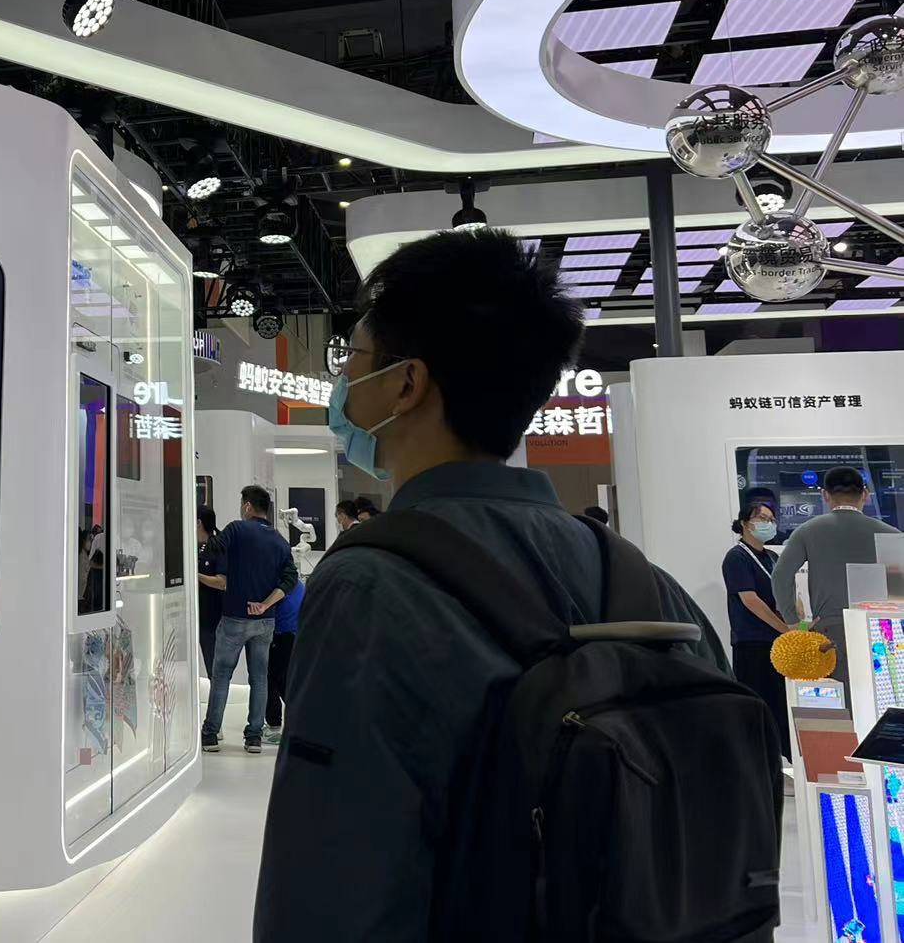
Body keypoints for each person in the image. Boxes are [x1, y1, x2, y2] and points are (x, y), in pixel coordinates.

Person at [255, 229, 725, 939]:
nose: (343, 381)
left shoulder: (369, 585)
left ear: (407, 384)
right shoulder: (650, 588)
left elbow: (333, 878)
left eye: (353, 358)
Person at [771, 465, 893, 684]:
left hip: (831, 629)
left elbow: (780, 575)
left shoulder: (808, 531)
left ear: (825, 495)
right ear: (865, 494)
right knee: (883, 692)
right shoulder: (890, 533)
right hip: (882, 629)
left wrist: (792, 622)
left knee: (838, 695)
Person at [200, 485, 297, 755]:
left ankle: (210, 734)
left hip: (234, 617)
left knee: (221, 676)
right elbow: (290, 579)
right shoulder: (280, 541)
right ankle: (254, 736)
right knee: (260, 678)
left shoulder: (236, 530)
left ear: (247, 506)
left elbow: (212, 548)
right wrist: (266, 603)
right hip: (265, 621)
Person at [724, 501, 789, 752]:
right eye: (762, 518)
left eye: (771, 519)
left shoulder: (772, 557)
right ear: (745, 523)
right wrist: (784, 628)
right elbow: (750, 601)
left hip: (778, 643)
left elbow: (784, 593)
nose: (768, 524)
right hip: (752, 642)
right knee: (758, 704)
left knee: (780, 705)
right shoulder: (737, 557)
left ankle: (784, 755)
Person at [263, 573, 304, 747]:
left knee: (272, 681)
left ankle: (274, 726)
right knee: (285, 680)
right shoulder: (298, 584)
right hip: (295, 636)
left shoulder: (278, 586)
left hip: (280, 636)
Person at [195, 506, 222, 679]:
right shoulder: (195, 547)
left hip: (212, 619)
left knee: (214, 667)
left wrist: (196, 576)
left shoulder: (216, 546)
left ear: (198, 522)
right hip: (199, 617)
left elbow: (221, 582)